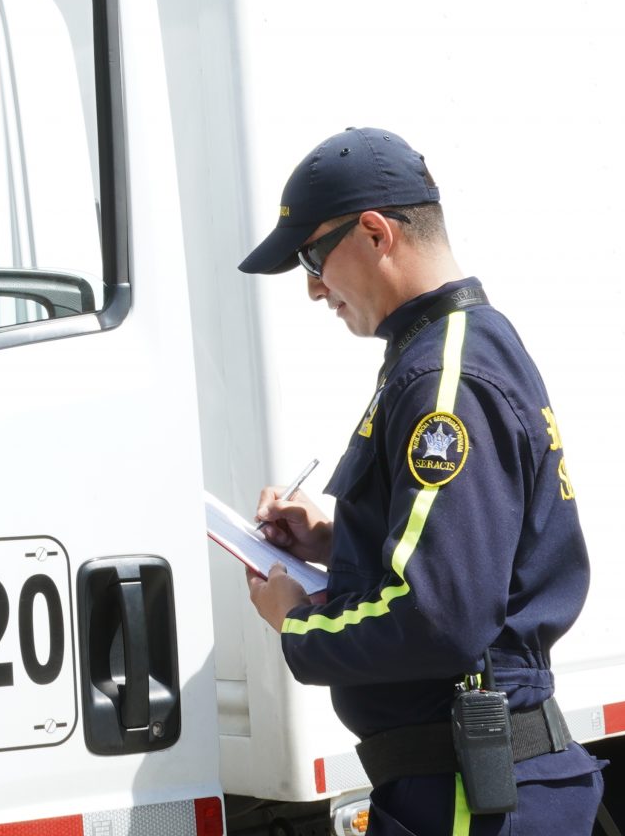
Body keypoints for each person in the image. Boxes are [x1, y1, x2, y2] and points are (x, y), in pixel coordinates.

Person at [239, 127, 601, 835]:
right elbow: (468, 556)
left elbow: (439, 614)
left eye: (313, 257)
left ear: (375, 232)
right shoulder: (449, 350)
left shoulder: (444, 376)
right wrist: (334, 540)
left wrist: (298, 620)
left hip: (471, 794)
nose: (313, 288)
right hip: (465, 782)